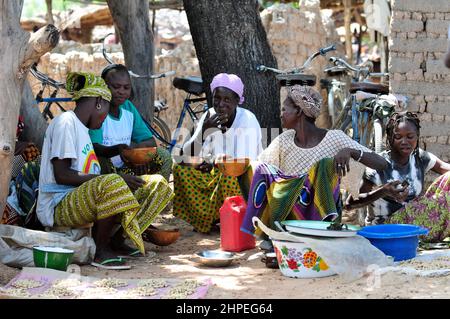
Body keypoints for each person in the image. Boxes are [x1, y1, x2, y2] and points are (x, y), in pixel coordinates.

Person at [36, 72, 174, 268]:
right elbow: (62, 175)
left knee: (157, 185)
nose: (104, 118)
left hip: (85, 198)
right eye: (107, 108)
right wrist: (111, 179)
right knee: (113, 181)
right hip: (59, 205)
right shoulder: (66, 122)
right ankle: (100, 252)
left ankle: (117, 240)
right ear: (100, 102)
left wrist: (115, 173)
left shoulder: (82, 129)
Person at [240, 85, 388, 238]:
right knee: (262, 169)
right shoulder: (284, 140)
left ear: (299, 111)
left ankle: (317, 231)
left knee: (324, 165)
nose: (281, 115)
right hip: (290, 217)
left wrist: (350, 151)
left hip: (323, 219)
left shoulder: (334, 138)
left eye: (284, 110)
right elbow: (261, 167)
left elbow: (382, 164)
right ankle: (274, 232)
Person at [173, 73, 263, 233]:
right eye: (217, 98)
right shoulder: (209, 116)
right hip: (217, 170)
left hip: (243, 177)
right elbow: (184, 156)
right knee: (181, 169)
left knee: (228, 177)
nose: (221, 104)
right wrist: (203, 133)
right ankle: (208, 220)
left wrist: (212, 162)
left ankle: (238, 219)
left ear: (237, 101)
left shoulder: (247, 120)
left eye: (227, 100)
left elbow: (241, 164)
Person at [345, 111, 450, 242]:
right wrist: (383, 191)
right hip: (385, 228)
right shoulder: (379, 164)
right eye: (398, 137)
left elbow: (446, 170)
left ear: (417, 137)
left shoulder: (419, 158)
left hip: (413, 222)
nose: (404, 141)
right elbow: (349, 204)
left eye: (410, 136)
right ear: (390, 138)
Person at [89, 64, 172, 181]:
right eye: (116, 87)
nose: (121, 91)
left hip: (128, 166)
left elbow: (149, 141)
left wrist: (136, 157)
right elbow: (94, 148)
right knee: (101, 160)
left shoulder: (128, 107)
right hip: (105, 172)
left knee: (164, 156)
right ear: (104, 87)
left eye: (126, 87)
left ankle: (155, 193)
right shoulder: (98, 109)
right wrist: (119, 150)